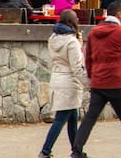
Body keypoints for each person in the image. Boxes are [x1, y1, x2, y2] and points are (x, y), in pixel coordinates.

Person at [71, 1, 121, 158]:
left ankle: (76, 150)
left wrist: (93, 77)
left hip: (99, 82)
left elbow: (88, 58)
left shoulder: (93, 32)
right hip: (118, 81)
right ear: (118, 15)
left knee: (90, 118)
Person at [38, 9, 86, 158]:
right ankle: (45, 151)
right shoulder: (72, 42)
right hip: (69, 82)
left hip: (57, 78)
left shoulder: (53, 38)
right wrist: (89, 82)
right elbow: (76, 66)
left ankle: (76, 150)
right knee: (60, 119)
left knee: (72, 118)